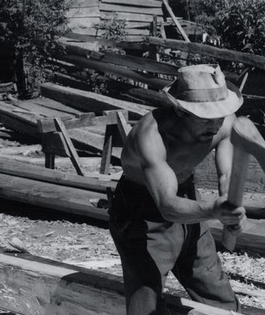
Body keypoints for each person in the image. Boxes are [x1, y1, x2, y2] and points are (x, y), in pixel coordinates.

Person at [108, 64, 247, 314]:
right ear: (181, 110)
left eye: (220, 115)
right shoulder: (150, 136)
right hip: (142, 213)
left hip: (190, 202)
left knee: (215, 292)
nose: (216, 125)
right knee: (146, 303)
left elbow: (226, 174)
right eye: (206, 117)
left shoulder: (224, 121)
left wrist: (229, 206)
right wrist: (214, 210)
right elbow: (166, 205)